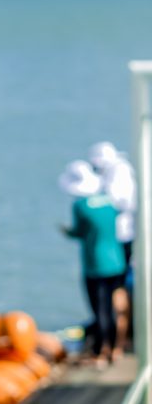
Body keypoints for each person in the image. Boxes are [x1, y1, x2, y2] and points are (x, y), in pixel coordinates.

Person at [59, 159, 126, 366]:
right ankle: (117, 348)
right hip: (117, 260)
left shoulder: (80, 206)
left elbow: (79, 231)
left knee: (101, 309)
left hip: (96, 265)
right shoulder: (107, 199)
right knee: (118, 305)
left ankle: (101, 351)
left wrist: (66, 231)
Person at [89, 141, 136, 355]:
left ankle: (115, 339)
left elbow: (121, 203)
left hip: (119, 240)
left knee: (116, 290)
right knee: (119, 288)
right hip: (119, 239)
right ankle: (117, 336)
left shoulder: (119, 175)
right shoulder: (121, 171)